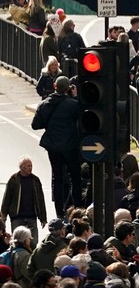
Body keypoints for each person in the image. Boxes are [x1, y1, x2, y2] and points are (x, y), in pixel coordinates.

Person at [31, 76, 81, 213]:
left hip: (53, 146)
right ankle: (76, 208)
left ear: (54, 86)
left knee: (57, 178)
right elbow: (81, 119)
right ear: (68, 88)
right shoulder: (72, 104)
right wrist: (75, 97)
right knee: (75, 178)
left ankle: (59, 211)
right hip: (70, 146)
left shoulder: (45, 104)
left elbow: (35, 125)